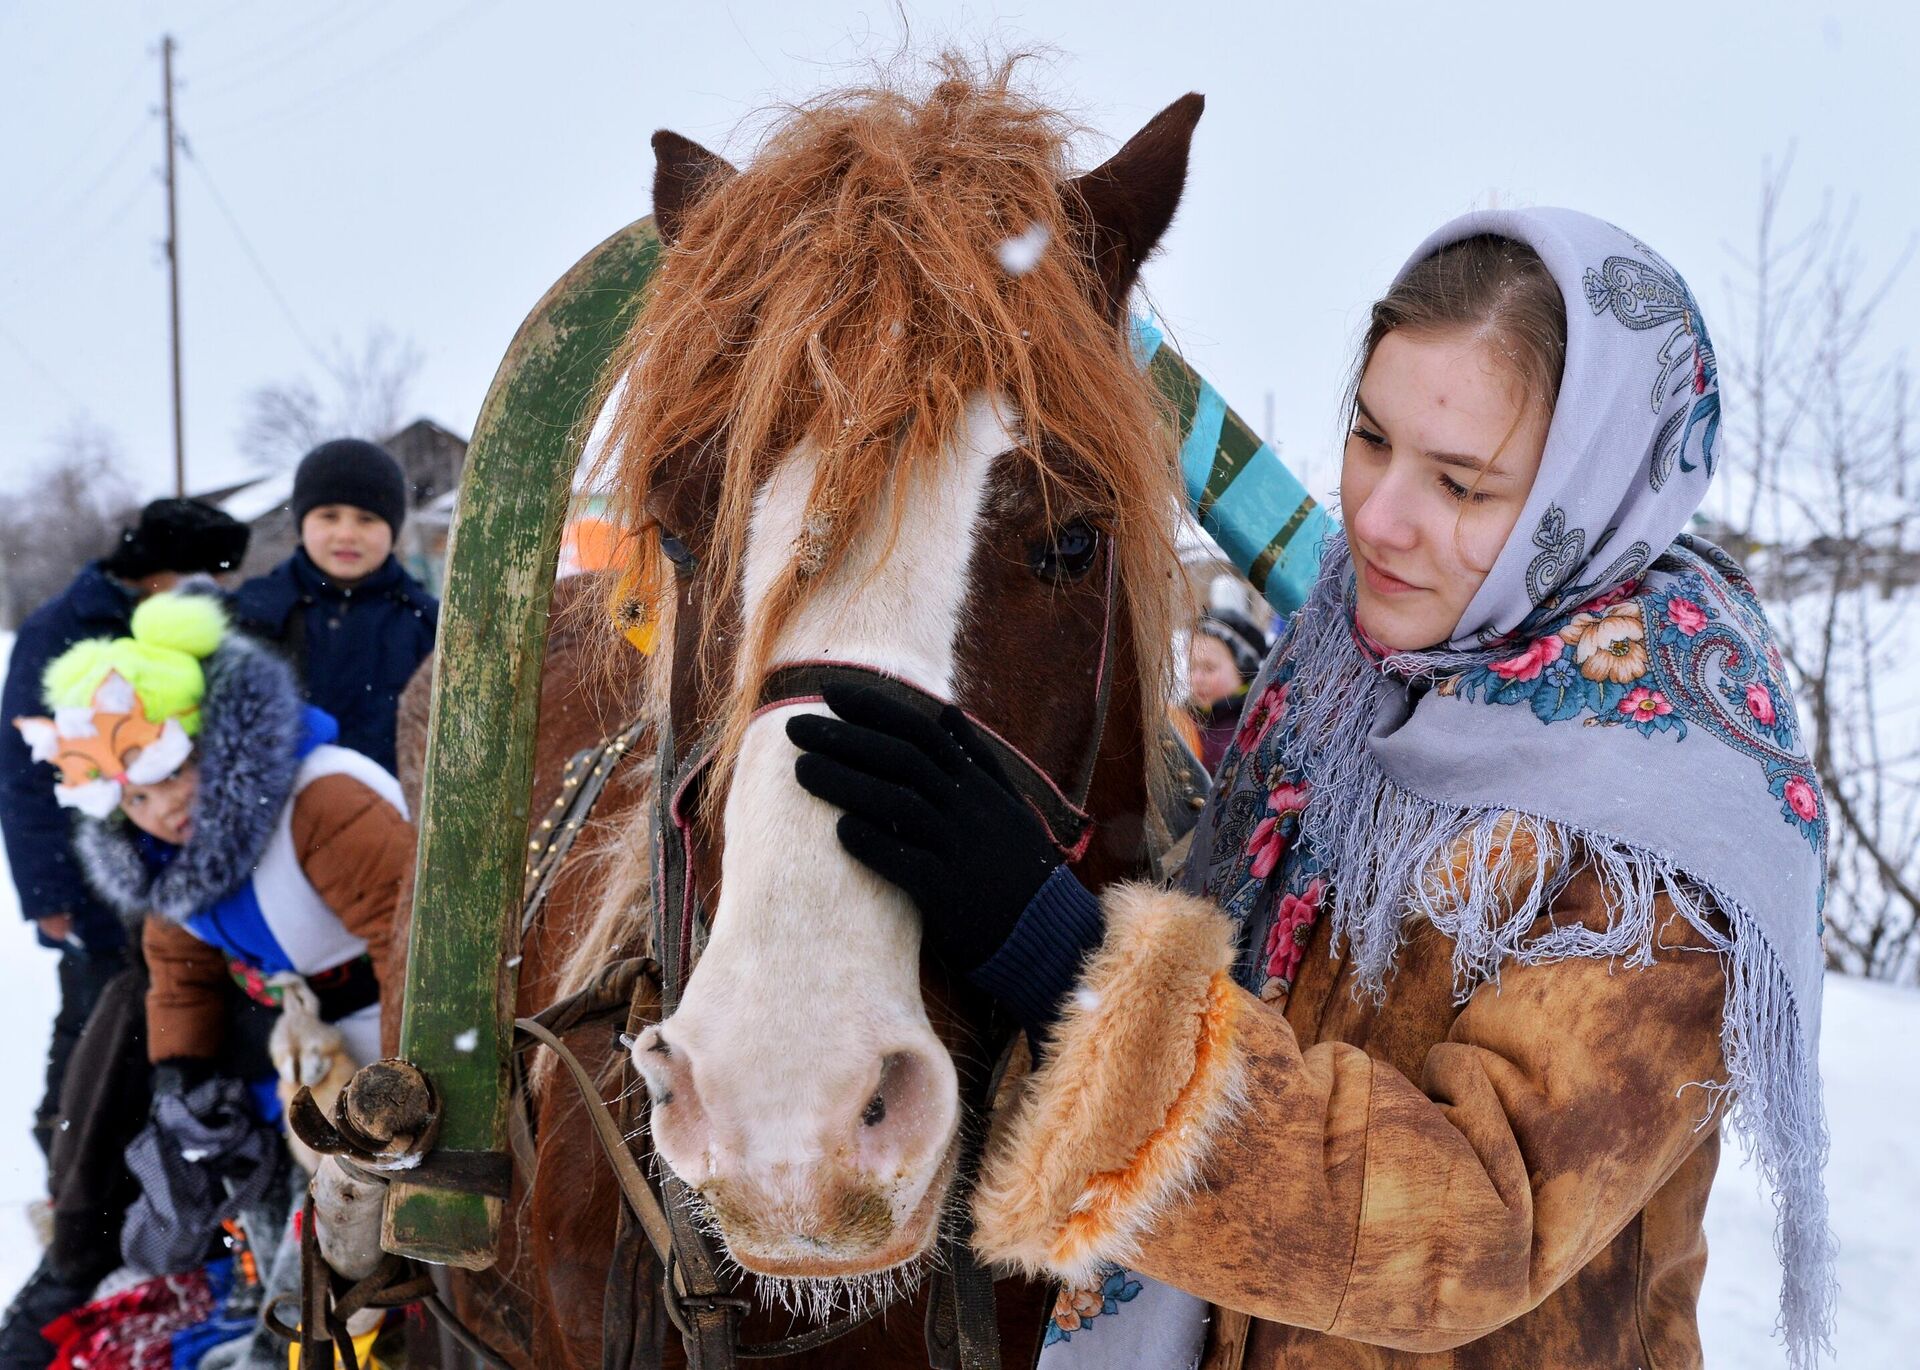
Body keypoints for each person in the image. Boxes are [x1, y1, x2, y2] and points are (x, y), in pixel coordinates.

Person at [788, 210, 1832, 1368]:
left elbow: (1470, 1228)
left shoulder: (1667, 818)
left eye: (1464, 484)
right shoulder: (1340, 674)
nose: (1379, 518)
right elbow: (1233, 972)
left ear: (1581, 497)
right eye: (1370, 437)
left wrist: (1073, 967)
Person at [0, 497, 248, 1159]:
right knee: (92, 1019)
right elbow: (25, 778)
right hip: (86, 878)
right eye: (207, 579)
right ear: (162, 572)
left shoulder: (169, 633)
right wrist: (49, 896)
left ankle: (130, 1163)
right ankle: (65, 1153)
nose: (215, 595)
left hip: (162, 864)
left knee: (156, 1018)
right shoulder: (63, 628)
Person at [230, 438, 438, 774]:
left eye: (366, 519)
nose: (346, 533)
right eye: (329, 516)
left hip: (397, 815)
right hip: (283, 817)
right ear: (302, 523)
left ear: (392, 529)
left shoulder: (429, 625)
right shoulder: (253, 614)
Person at [1185, 608, 1267, 772]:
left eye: (1209, 668)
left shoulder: (1253, 730)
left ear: (1242, 670)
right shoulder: (1183, 719)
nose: (1197, 679)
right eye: (1191, 667)